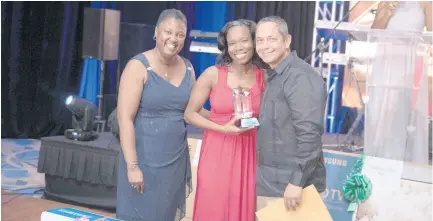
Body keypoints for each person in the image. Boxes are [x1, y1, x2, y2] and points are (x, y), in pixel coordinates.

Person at [116, 9, 208, 221]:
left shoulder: (188, 67)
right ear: (157, 32)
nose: (173, 39)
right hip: (143, 160)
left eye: (180, 34)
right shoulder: (138, 67)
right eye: (168, 32)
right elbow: (125, 119)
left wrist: (226, 116)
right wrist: (133, 166)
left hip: (174, 160)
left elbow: (195, 110)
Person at [184, 19, 265, 221]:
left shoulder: (264, 77)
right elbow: (190, 113)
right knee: (213, 208)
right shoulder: (212, 74)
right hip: (217, 151)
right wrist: (221, 126)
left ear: (254, 42)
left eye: (244, 40)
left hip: (249, 153)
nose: (239, 47)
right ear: (226, 47)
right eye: (232, 43)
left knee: (241, 209)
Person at [254, 16, 327, 212]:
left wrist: (297, 182)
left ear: (287, 41)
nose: (264, 46)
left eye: (271, 39)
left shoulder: (300, 77)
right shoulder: (276, 75)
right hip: (271, 184)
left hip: (294, 190)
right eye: (259, 40)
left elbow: (309, 134)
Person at [366, 1, 432, 164]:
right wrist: (386, 13)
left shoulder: (426, 3)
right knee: (378, 114)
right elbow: (374, 31)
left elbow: (431, 36)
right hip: (384, 63)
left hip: (408, 65)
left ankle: (400, 164)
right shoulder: (386, 2)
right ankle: (377, 161)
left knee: (399, 114)